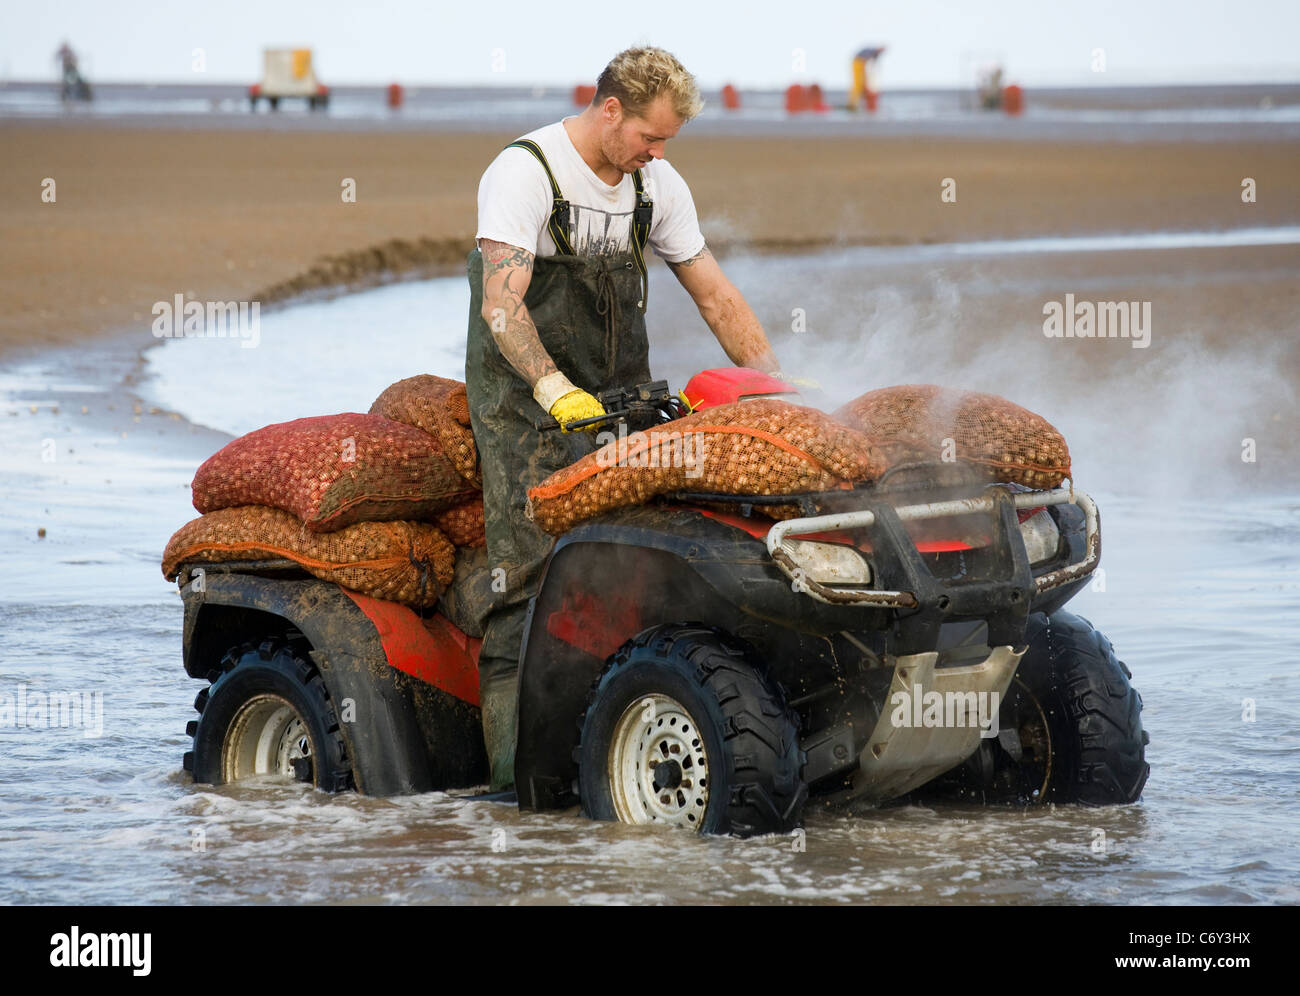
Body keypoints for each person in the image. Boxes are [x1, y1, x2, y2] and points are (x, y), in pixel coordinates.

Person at [465, 46, 783, 790]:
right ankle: (522, 791)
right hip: (527, 413)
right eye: (651, 136)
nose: (658, 152)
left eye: (667, 141)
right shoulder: (526, 173)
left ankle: (611, 759)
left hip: (624, 404)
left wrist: (768, 382)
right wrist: (551, 389)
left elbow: (715, 296)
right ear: (611, 110)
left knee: (638, 571)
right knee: (526, 589)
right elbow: (501, 305)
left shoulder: (655, 185)